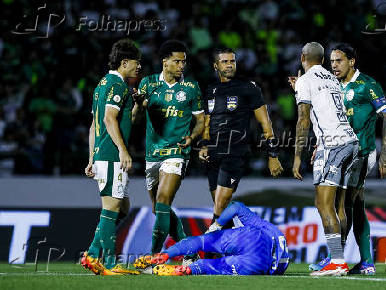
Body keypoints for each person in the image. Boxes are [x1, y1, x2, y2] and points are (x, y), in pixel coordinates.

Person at [309, 44, 386, 275]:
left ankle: (340, 259)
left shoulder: (367, 84)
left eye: (339, 61)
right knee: (352, 204)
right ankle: (358, 260)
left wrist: (385, 153)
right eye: (332, 61)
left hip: (363, 152)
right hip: (340, 151)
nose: (334, 65)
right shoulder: (333, 85)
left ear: (352, 61)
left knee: (345, 204)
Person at [289, 42, 358, 276]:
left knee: (323, 203)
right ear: (322, 59)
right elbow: (328, 110)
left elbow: (303, 120)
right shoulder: (332, 79)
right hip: (351, 142)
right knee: (339, 205)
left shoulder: (306, 81)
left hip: (334, 144)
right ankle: (337, 257)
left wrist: (297, 156)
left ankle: (337, 261)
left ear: (302, 58)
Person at [133, 40, 205, 261]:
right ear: (165, 62)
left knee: (164, 201)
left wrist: (192, 137)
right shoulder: (148, 83)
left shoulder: (191, 87)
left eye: (184, 61)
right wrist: (138, 103)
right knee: (158, 209)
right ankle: (189, 251)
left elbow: (201, 121)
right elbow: (134, 118)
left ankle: (153, 257)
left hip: (176, 153)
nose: (182, 65)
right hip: (153, 154)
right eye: (177, 61)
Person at [199, 48, 283, 227]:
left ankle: (204, 251)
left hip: (235, 152)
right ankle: (240, 245)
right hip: (213, 154)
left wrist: (273, 155)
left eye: (232, 61)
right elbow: (207, 124)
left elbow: (266, 124)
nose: (229, 65)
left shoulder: (248, 87)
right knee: (221, 209)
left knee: (220, 207)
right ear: (216, 66)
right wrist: (204, 145)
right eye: (225, 62)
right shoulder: (210, 90)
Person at [81, 39, 142, 275]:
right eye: (137, 63)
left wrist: (90, 158)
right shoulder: (117, 85)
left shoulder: (102, 84)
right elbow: (108, 119)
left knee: (123, 207)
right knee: (112, 207)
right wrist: (123, 150)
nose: (139, 67)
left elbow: (93, 125)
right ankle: (108, 263)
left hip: (101, 154)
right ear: (124, 62)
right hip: (110, 155)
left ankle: (92, 254)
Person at [134, 201, 290, 276]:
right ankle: (184, 269)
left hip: (251, 238)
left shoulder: (267, 227)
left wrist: (217, 225)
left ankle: (164, 255)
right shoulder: (281, 253)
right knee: (210, 266)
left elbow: (235, 207)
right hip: (258, 264)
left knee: (199, 241)